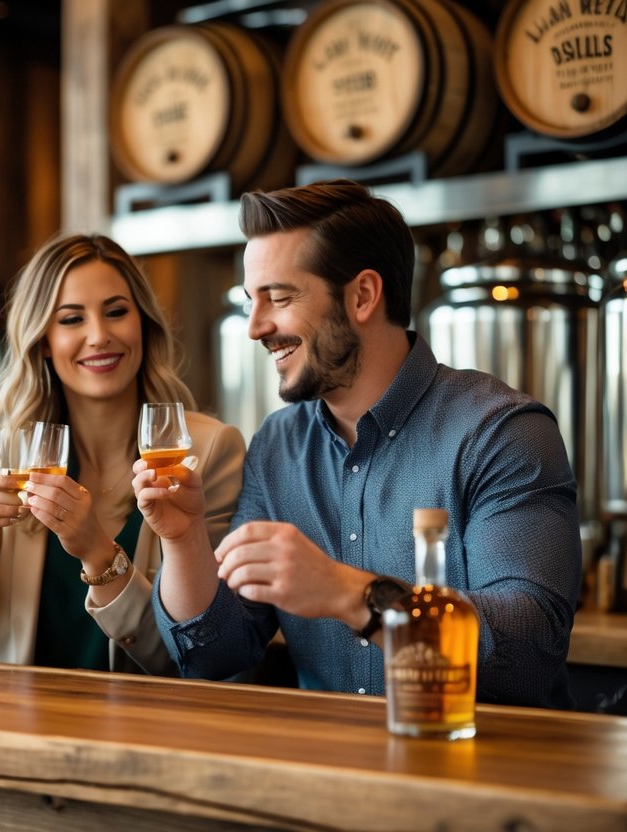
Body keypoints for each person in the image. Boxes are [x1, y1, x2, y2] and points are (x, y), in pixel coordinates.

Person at [138, 179, 581, 707]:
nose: (256, 327)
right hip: (334, 775)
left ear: (363, 296)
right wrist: (184, 539)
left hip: (480, 773)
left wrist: (349, 594)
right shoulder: (279, 445)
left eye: (278, 298)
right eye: (250, 301)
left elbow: (529, 652)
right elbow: (217, 654)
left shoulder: (502, 433)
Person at [0, 233, 245, 674]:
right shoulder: (0, 456)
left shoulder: (209, 452)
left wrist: (99, 553)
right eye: (71, 320)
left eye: (117, 312)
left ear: (143, 325)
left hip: (149, 732)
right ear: (42, 340)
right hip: (12, 729)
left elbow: (195, 657)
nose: (99, 336)